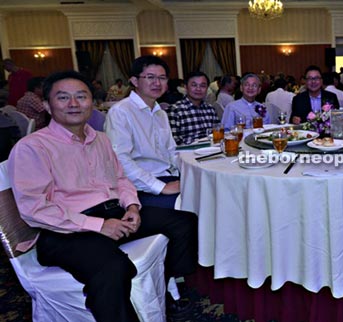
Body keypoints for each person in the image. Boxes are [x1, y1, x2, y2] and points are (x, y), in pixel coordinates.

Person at [7, 70, 198, 322]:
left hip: (112, 212)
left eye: (81, 96)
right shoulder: (32, 147)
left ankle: (166, 288)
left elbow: (120, 179)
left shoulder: (101, 139)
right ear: (46, 105)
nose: (74, 104)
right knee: (113, 269)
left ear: (91, 101)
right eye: (63, 98)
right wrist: (98, 226)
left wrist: (131, 206)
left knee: (185, 222)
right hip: (65, 230)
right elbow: (35, 209)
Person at [105, 55, 180, 209]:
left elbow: (172, 151)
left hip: (167, 176)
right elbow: (120, 160)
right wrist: (160, 187)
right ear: (134, 81)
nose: (157, 83)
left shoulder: (160, 113)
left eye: (162, 78)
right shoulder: (121, 112)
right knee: (196, 206)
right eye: (150, 77)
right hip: (140, 187)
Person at [168, 71, 220, 145]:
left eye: (202, 86)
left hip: (211, 151)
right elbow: (173, 141)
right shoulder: (175, 110)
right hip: (187, 153)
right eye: (194, 85)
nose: (198, 89)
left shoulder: (210, 109)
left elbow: (217, 133)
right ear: (186, 87)